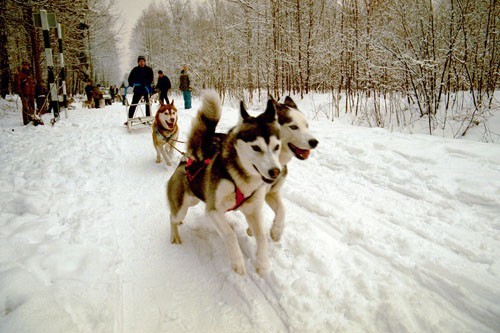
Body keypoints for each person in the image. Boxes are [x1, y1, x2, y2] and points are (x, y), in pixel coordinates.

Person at [127, 55, 153, 120]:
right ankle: (129, 118)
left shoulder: (149, 70)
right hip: (138, 90)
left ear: (145, 62)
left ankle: (148, 117)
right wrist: (131, 83)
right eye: (140, 61)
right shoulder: (135, 70)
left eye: (143, 61)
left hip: (146, 89)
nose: (142, 63)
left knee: (148, 104)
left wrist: (145, 83)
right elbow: (130, 78)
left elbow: (151, 79)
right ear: (138, 62)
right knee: (134, 104)